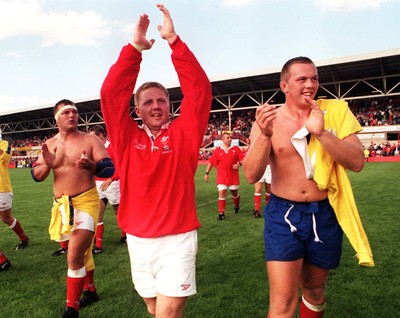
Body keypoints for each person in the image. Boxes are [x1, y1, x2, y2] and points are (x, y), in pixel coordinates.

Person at [100, 4, 212, 317]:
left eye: (162, 100)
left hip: (178, 239)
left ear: (170, 106)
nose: (156, 105)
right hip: (138, 241)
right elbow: (111, 95)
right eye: (148, 102)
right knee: (152, 306)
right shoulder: (125, 138)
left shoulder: (183, 135)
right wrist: (134, 48)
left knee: (167, 314)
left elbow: (200, 90)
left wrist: (174, 42)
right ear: (137, 110)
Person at [242, 56, 374, 317]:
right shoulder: (268, 120)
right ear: (284, 85)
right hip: (283, 213)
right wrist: (265, 135)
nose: (310, 84)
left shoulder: (335, 111)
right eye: (301, 79)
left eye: (314, 78)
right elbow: (250, 174)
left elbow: (357, 162)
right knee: (281, 303)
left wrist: (323, 134)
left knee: (314, 291)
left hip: (324, 212)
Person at [31, 99, 115, 318]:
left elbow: (108, 168)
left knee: (74, 253)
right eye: (66, 112)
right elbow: (36, 176)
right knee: (81, 252)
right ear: (56, 118)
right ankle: (91, 289)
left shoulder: (90, 140)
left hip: (86, 201)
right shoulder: (49, 144)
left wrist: (92, 166)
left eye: (74, 112)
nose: (71, 115)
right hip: (61, 206)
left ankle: (71, 309)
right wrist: (47, 165)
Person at [89, 125, 126, 254]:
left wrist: (111, 179)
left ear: (100, 136)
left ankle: (125, 234)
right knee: (98, 213)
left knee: (118, 211)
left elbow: (121, 167)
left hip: (113, 183)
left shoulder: (113, 147)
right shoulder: (94, 149)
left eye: (93, 136)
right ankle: (98, 245)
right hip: (98, 184)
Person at [204, 131, 244, 220]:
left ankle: (236, 206)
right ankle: (221, 213)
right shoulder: (218, 150)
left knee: (235, 193)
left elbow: (242, 159)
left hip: (233, 176)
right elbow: (211, 163)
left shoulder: (236, 149)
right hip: (222, 176)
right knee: (222, 192)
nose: (230, 139)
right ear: (222, 139)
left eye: (230, 138)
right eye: (228, 138)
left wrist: (239, 164)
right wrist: (207, 173)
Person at [0, 139, 29, 250]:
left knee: (6, 218)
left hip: (2, 189)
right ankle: (2, 261)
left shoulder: (4, 143)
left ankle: (23, 238)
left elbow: (4, 157)